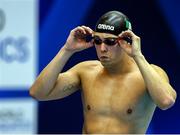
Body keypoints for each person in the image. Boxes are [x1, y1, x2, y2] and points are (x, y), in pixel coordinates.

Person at [30, 11, 177, 134]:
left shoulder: (149, 74)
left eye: (110, 41)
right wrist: (67, 50)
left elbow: (166, 101)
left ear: (127, 40)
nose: (102, 49)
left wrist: (137, 56)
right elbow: (38, 93)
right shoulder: (86, 71)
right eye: (97, 41)